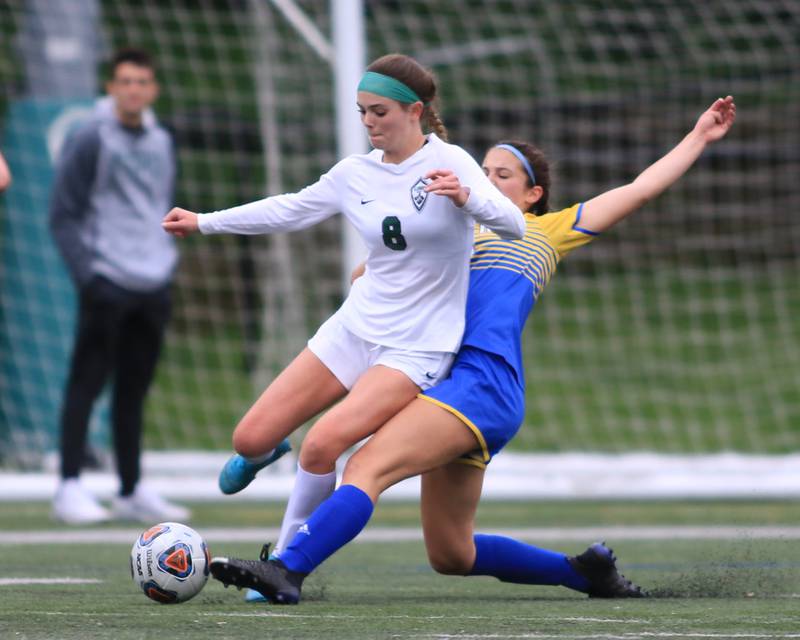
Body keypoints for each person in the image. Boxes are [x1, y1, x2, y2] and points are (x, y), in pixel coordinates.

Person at [208, 97, 737, 604]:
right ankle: (583, 572)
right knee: (451, 553)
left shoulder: (543, 232)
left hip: (481, 386)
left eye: (503, 174)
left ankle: (286, 568)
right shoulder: (450, 226)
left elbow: (641, 188)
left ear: (533, 195)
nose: (487, 179)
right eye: (484, 170)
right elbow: (372, 271)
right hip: (440, 385)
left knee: (363, 466)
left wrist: (698, 136)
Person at [162, 53, 525, 535]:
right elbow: (288, 210)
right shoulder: (355, 173)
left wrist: (466, 198)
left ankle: (288, 557)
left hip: (415, 345)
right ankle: (265, 452)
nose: (370, 122)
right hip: (355, 327)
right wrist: (205, 222)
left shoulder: (451, 161)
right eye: (363, 111)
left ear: (414, 111)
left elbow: (514, 225)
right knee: (248, 438)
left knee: (321, 444)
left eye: (380, 111)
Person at [50, 48, 189, 525]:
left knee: (135, 385)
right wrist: (88, 274)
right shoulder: (90, 137)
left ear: (153, 90)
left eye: (142, 82)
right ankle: (69, 484)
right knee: (87, 380)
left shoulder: (161, 140)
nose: (134, 89)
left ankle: (130, 487)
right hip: (106, 276)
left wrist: (165, 262)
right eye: (125, 81)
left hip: (152, 278)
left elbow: (157, 204)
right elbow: (63, 213)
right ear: (111, 87)